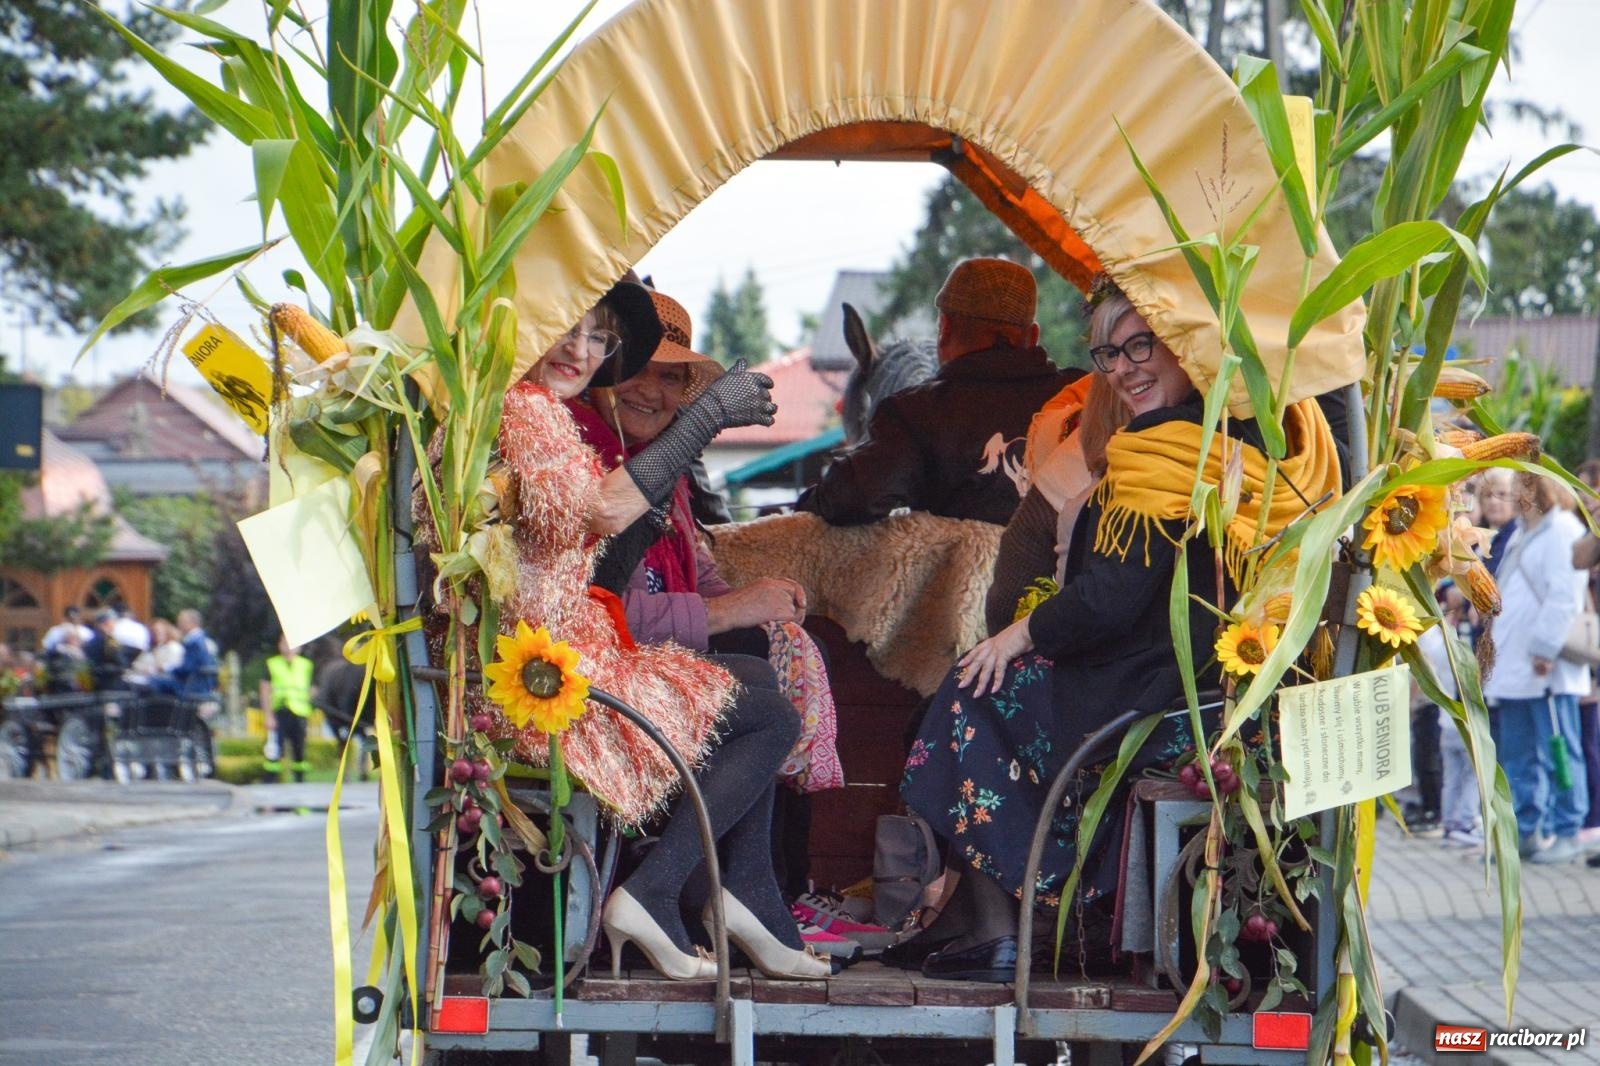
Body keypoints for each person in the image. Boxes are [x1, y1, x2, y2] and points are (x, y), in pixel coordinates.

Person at [894, 287, 1341, 980]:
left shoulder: (1164, 446)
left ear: (1187, 349)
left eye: (1142, 346)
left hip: (1153, 705)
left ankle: (996, 927)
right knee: (999, 685)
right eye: (1109, 353)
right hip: (1214, 699)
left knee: (972, 689)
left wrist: (1018, 635)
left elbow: (1108, 600)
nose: (1125, 368)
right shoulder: (1244, 445)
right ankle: (981, 915)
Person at [418, 278, 831, 981]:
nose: (581, 350)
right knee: (764, 712)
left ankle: (726, 893)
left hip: (562, 664)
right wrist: (704, 421)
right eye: (566, 326)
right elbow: (603, 514)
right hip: (535, 691)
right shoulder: (524, 410)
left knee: (755, 680)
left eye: (600, 338)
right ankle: (660, 893)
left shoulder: (539, 413)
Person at [577, 291, 847, 938]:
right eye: (639, 367)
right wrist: (729, 610)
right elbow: (596, 609)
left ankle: (739, 891)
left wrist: (756, 605)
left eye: (672, 378)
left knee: (765, 659)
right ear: (607, 368)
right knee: (761, 696)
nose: (652, 390)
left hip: (632, 671)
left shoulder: (663, 473)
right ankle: (687, 889)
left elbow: (696, 573)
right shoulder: (585, 456)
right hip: (578, 678)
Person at [795, 257, 1076, 527]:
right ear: (1033, 336)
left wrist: (811, 500)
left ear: (944, 330)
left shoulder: (916, 415)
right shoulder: (1084, 395)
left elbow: (848, 499)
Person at [1484, 471, 1591, 863]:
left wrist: (1545, 648)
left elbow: (1565, 595)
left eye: (1520, 489)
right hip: (1514, 667)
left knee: (1559, 750)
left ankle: (1568, 828)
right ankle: (1526, 829)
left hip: (1546, 667)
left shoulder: (1562, 530)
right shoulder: (1521, 532)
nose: (1512, 495)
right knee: (1519, 755)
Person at [260, 635, 315, 783]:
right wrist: (268, 716)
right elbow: (264, 690)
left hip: (300, 712)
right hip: (279, 711)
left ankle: (300, 779)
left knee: (299, 749)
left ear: (300, 647)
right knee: (274, 748)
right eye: (285, 643)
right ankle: (271, 780)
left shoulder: (306, 665)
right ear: (279, 645)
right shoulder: (272, 664)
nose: (288, 647)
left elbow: (312, 688)